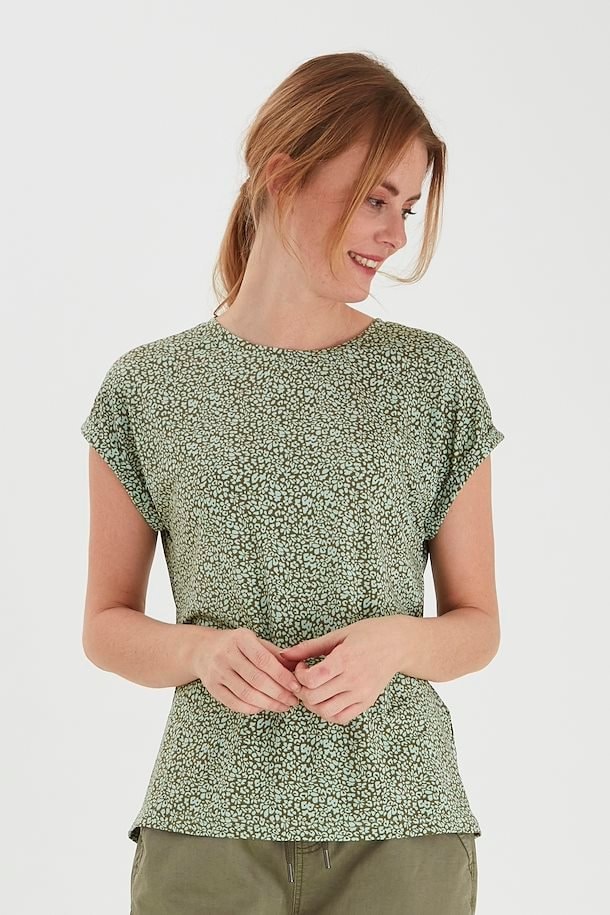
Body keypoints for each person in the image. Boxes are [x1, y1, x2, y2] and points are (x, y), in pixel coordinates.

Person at [81, 51, 504, 914]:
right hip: (206, 823)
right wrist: (198, 652)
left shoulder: (434, 380)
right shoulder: (146, 387)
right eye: (376, 199)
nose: (396, 234)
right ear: (282, 175)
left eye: (407, 207)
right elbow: (105, 624)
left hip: (403, 826)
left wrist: (395, 642)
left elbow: (479, 626)